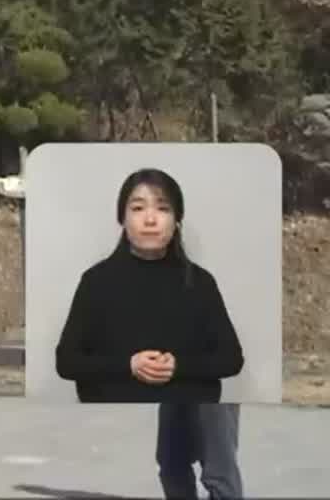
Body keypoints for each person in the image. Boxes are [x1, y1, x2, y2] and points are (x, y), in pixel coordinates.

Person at [53, 168, 243, 498]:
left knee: (218, 471)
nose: (150, 219)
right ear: (122, 219)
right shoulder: (96, 282)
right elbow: (67, 361)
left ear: (176, 220)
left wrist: (178, 366)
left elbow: (231, 358)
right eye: (138, 208)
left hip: (196, 394)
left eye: (163, 208)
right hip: (128, 396)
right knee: (171, 464)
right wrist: (128, 365)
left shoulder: (199, 282)